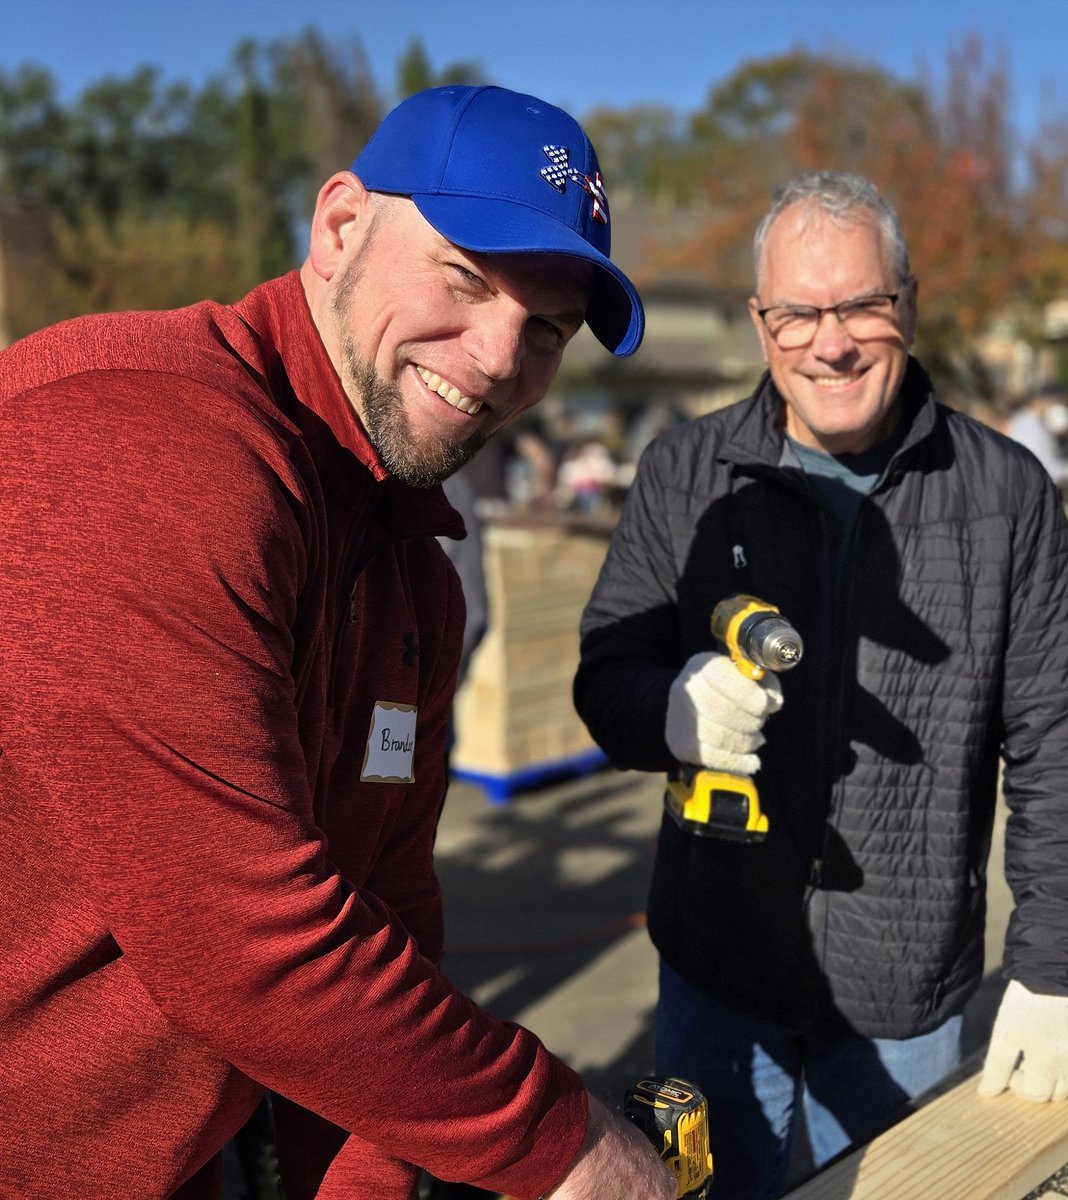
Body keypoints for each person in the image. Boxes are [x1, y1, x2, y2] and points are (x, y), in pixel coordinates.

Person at [0, 84, 675, 1200]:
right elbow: (250, 944)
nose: (502, 357)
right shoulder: (139, 444)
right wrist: (564, 1142)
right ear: (341, 225)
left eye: (546, 327)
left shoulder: (416, 572)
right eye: (465, 276)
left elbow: (385, 916)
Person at [573, 169, 1068, 1199]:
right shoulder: (686, 473)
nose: (830, 341)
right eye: (798, 311)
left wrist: (1055, 962)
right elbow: (606, 675)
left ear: (910, 306)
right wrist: (669, 712)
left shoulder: (1005, 496)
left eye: (861, 306)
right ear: (761, 323)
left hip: (903, 993)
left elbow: (1058, 742)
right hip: (716, 974)